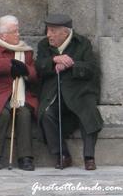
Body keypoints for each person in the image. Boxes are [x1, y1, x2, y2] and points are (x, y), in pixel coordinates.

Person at [36, 14, 103, 170]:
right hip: (54, 92)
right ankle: (62, 155)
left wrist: (71, 64)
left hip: (79, 92)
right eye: (48, 30)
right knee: (46, 114)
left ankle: (89, 157)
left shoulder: (82, 44)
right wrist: (54, 61)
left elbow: (92, 69)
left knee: (88, 111)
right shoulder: (44, 45)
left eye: (52, 31)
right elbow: (38, 66)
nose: (48, 35)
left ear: (64, 33)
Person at [0, 15, 38, 171]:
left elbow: (34, 73)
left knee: (24, 113)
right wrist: (10, 64)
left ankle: (25, 157)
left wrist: (25, 70)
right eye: (14, 31)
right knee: (2, 114)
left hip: (21, 94)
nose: (18, 34)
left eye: (18, 31)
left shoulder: (26, 51)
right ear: (4, 35)